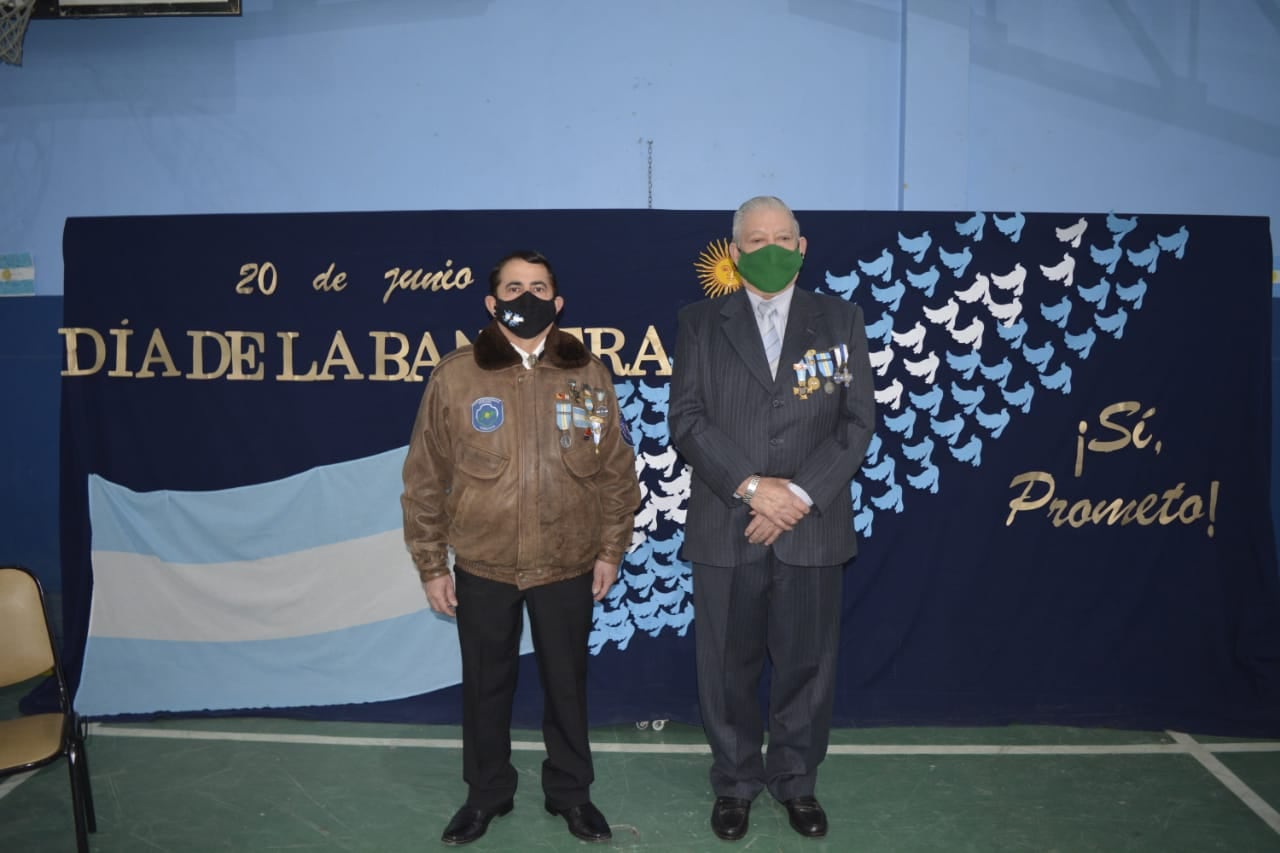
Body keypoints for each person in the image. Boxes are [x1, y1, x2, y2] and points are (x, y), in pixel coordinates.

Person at [401, 249, 641, 846]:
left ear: (558, 304)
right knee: (485, 685)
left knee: (566, 684)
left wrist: (610, 549)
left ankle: (571, 794)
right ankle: (486, 794)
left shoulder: (588, 374)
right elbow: (424, 478)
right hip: (484, 563)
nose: (526, 297)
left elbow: (616, 471)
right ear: (492, 302)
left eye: (538, 287)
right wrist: (432, 564)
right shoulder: (457, 375)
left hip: (567, 560)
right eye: (513, 287)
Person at [668, 196, 876, 841]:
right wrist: (755, 488)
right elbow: (687, 421)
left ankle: (795, 783)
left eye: (782, 237)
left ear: (803, 245)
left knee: (807, 667)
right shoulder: (701, 322)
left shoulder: (841, 319)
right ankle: (734, 784)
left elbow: (856, 422)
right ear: (734, 252)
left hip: (811, 527)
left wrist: (797, 498)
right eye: (755, 240)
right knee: (725, 669)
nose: (770, 249)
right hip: (726, 524)